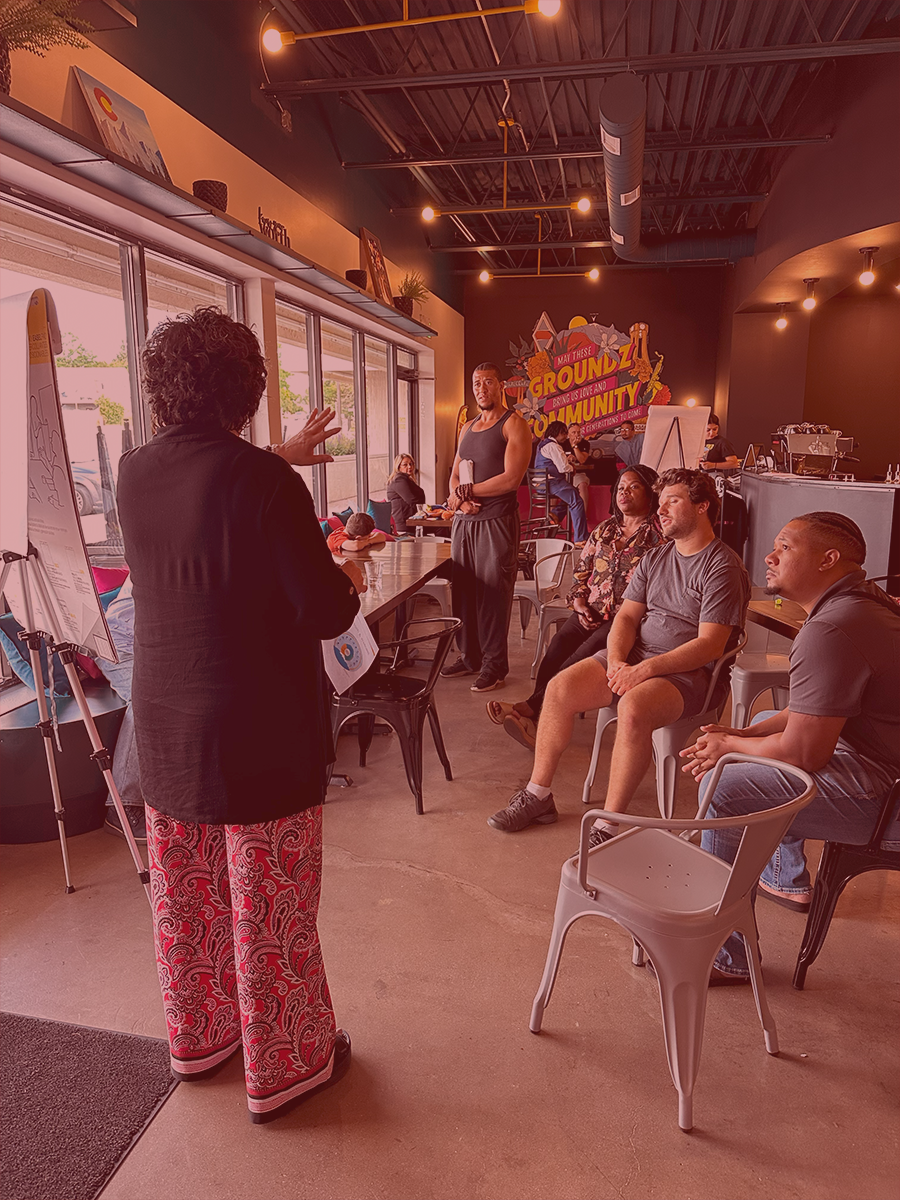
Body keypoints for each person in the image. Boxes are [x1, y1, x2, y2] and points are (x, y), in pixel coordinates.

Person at [117, 307, 363, 1123]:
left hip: (165, 725)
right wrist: (348, 576)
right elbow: (324, 610)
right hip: (257, 730)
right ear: (246, 390)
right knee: (269, 910)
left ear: (162, 386)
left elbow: (206, 500)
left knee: (189, 906)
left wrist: (277, 459)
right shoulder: (268, 483)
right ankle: (286, 1066)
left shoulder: (132, 473)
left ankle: (201, 1039)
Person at [681, 512, 899, 983]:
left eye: (785, 546)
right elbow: (812, 712)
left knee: (726, 786)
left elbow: (804, 754)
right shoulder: (855, 605)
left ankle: (726, 954)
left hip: (890, 797)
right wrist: (743, 736)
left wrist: (728, 749)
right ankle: (783, 875)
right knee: (761, 725)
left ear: (828, 559)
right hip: (884, 764)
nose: (770, 556)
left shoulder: (832, 629)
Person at [487, 468, 749, 835]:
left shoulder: (722, 566)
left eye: (673, 501)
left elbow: (710, 645)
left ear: (702, 506)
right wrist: (616, 661)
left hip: (691, 675)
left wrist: (642, 671)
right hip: (636, 659)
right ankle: (537, 796)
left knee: (633, 708)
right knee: (559, 688)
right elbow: (625, 617)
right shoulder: (656, 559)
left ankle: (610, 824)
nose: (661, 510)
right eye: (660, 502)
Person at [485, 465, 662, 748]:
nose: (624, 493)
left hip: (626, 619)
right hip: (589, 610)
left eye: (634, 487)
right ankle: (536, 718)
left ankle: (528, 710)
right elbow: (581, 572)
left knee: (577, 658)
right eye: (620, 487)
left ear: (651, 493)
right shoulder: (605, 530)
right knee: (556, 648)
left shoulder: (658, 537)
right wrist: (579, 603)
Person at [440, 362, 532, 693]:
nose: (481, 388)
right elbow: (454, 474)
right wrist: (460, 500)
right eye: (477, 383)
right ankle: (470, 657)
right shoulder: (467, 427)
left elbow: (511, 479)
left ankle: (495, 666)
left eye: (488, 382)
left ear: (501, 386)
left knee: (493, 596)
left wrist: (468, 492)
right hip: (464, 522)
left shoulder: (514, 424)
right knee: (464, 593)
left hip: (496, 522)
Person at [533, 420, 588, 543]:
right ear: (557, 433)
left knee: (573, 492)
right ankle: (581, 539)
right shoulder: (554, 446)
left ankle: (556, 514)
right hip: (550, 482)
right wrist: (571, 467)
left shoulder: (542, 444)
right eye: (564, 433)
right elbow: (563, 468)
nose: (566, 436)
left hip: (540, 484)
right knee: (577, 501)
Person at [386, 453, 426, 534]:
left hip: (411, 521)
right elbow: (412, 500)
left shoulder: (406, 479)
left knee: (439, 527)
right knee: (440, 528)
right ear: (398, 467)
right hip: (404, 524)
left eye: (411, 464)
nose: (409, 467)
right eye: (405, 465)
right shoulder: (398, 480)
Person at [566, 421, 592, 515]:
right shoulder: (562, 443)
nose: (576, 435)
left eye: (578, 432)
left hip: (578, 473)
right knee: (554, 484)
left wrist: (575, 446)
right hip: (563, 472)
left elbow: (582, 460)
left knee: (582, 484)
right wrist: (567, 459)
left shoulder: (585, 443)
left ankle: (582, 515)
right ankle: (552, 517)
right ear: (568, 434)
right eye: (573, 432)